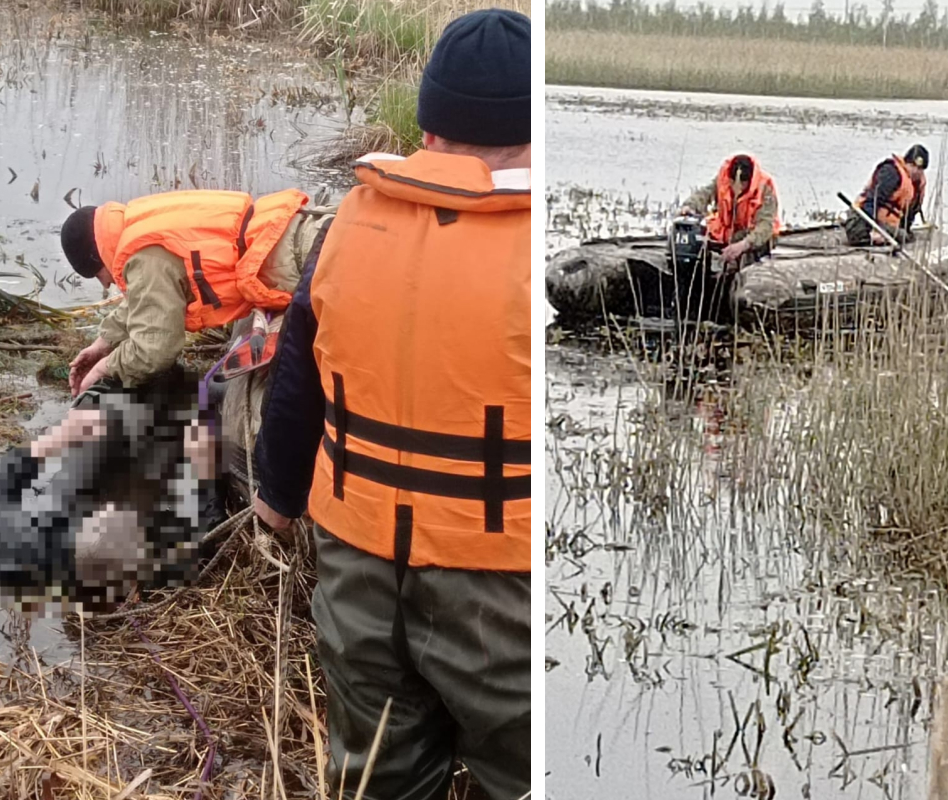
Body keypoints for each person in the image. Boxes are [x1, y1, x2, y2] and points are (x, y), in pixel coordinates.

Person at [251, 8, 531, 799]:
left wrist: (275, 497)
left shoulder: (353, 220)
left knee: (377, 773)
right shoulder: (532, 245)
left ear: (431, 124)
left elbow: (297, 370)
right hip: (496, 582)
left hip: (357, 568)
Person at [0, 366, 217, 614]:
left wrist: (54, 440)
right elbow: (211, 527)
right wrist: (203, 471)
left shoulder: (30, 545)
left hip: (106, 418)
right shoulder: (170, 562)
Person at [59, 188, 331, 395]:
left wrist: (104, 368)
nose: (105, 284)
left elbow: (154, 350)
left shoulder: (144, 258)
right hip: (305, 229)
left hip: (300, 261)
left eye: (97, 275)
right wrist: (102, 344)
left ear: (97, 256)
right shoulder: (139, 225)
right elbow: (146, 298)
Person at [679, 153, 782, 270]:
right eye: (732, 182)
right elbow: (706, 193)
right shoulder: (724, 178)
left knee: (747, 252)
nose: (736, 187)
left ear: (749, 181)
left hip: (756, 236)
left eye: (742, 184)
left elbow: (765, 225)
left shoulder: (765, 187)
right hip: (727, 232)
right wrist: (690, 206)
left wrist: (743, 245)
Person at [844, 143, 929, 246]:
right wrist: (872, 228)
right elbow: (872, 201)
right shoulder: (892, 173)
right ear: (905, 163)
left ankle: (882, 236)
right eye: (912, 166)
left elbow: (910, 214)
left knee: (906, 236)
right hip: (863, 219)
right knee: (860, 235)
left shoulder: (917, 185)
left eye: (919, 169)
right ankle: (870, 236)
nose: (915, 171)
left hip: (888, 225)